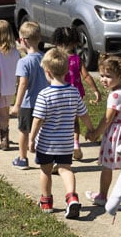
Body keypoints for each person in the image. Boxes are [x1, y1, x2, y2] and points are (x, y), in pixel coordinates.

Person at [29, 47, 95, 219]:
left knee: (45, 171)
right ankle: (72, 196)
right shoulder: (74, 92)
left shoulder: (44, 95)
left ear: (47, 72)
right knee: (65, 169)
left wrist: (31, 139)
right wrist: (90, 128)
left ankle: (46, 201)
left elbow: (37, 120)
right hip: (66, 143)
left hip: (46, 143)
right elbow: (84, 114)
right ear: (66, 70)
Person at [85, 54, 121, 206]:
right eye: (102, 75)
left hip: (115, 135)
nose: (103, 79)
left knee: (107, 166)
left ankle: (102, 196)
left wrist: (95, 134)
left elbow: (107, 119)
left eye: (108, 76)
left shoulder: (115, 95)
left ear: (120, 76)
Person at [51, 27, 100, 160]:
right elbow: (86, 76)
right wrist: (95, 90)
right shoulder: (77, 59)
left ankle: (61, 147)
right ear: (74, 43)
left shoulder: (55, 59)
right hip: (75, 95)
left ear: (57, 42)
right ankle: (76, 145)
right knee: (74, 121)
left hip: (58, 95)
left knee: (59, 121)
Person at [10, 21, 48, 170]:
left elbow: (23, 84)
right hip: (44, 102)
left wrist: (17, 105)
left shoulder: (23, 62)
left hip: (28, 103)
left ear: (23, 41)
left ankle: (22, 158)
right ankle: (43, 155)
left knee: (24, 131)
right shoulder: (46, 58)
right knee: (42, 131)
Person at [0, 19, 20, 150]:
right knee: (6, 112)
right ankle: (5, 134)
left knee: (2, 115)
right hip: (11, 87)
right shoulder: (15, 52)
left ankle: (4, 139)